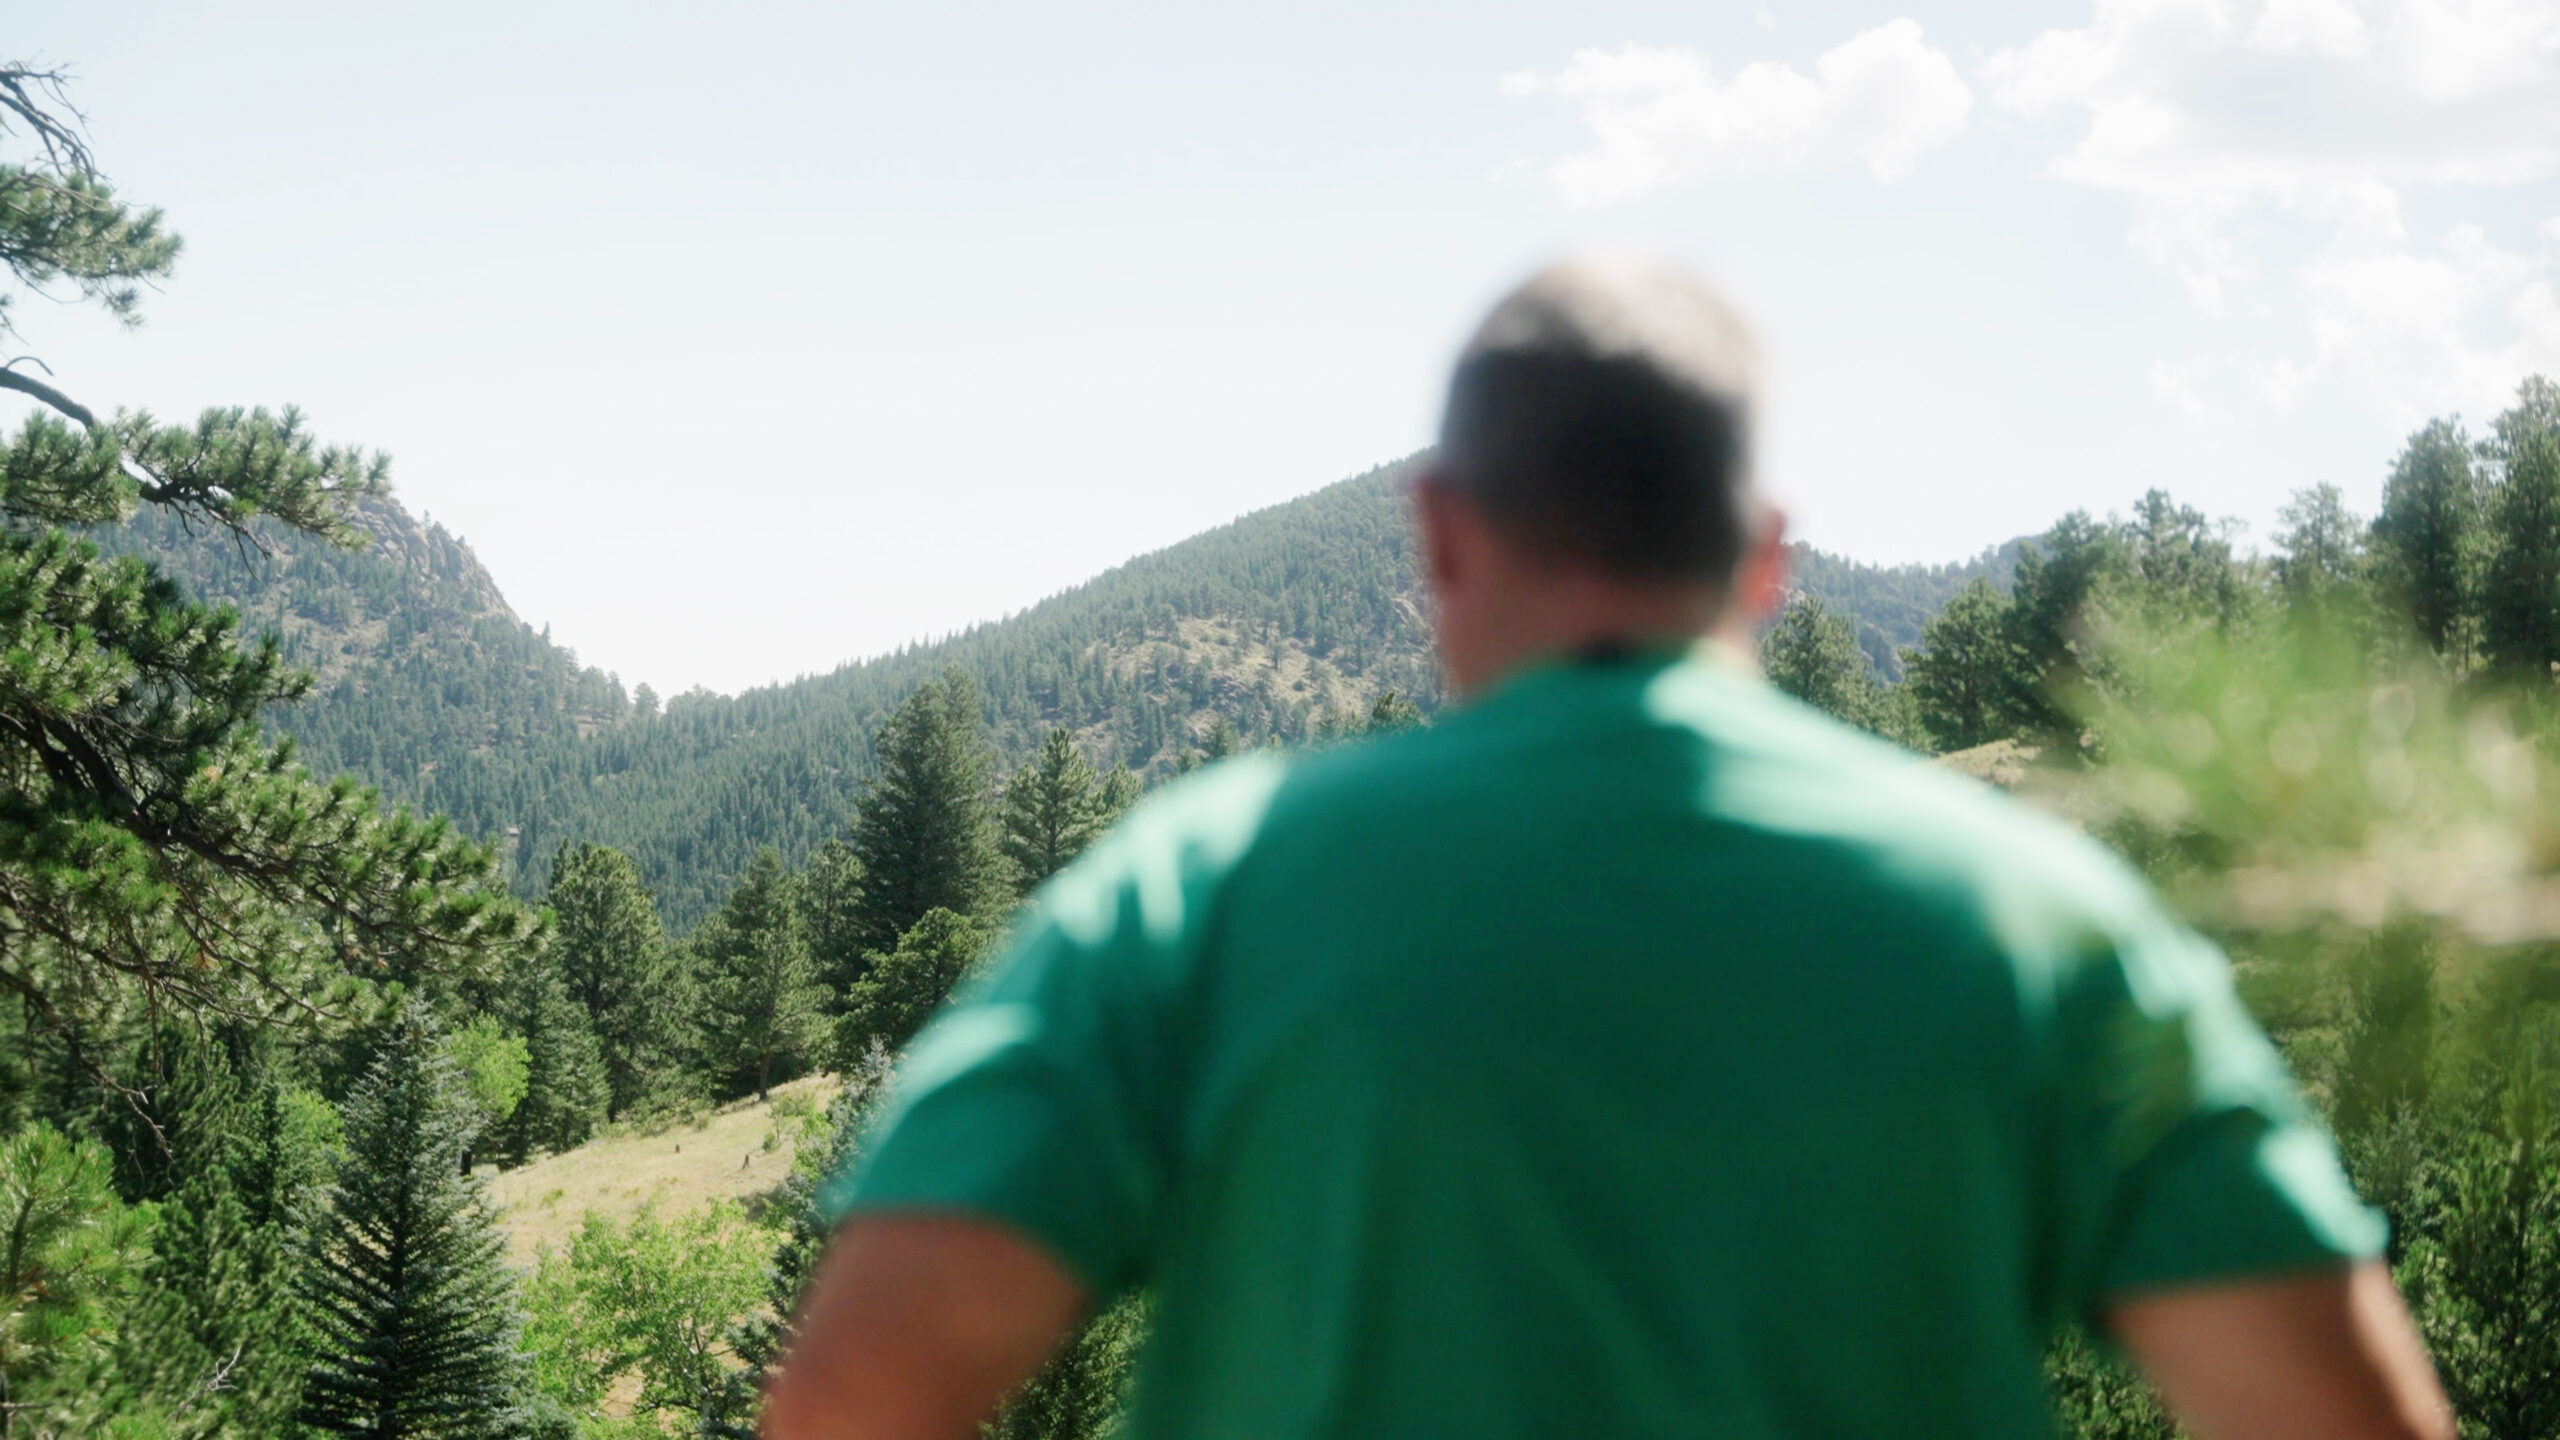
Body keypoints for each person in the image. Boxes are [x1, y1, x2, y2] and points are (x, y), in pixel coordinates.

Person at [764, 257, 2452, 1440]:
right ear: (1768, 556)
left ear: (1436, 528)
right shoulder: (2042, 920)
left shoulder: (1198, 887)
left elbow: (857, 1395)